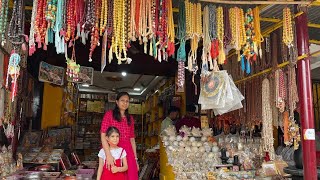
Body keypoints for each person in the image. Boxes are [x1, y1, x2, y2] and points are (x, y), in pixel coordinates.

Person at [100, 92, 138, 180]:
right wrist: (108, 155)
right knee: (113, 176)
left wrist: (135, 159)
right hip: (113, 150)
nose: (125, 103)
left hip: (128, 152)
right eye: (122, 100)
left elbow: (132, 139)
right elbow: (103, 136)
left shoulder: (130, 118)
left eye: (127, 101)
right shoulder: (109, 115)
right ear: (117, 102)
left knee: (131, 176)